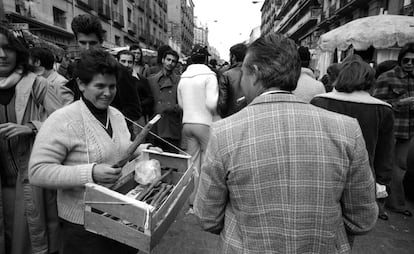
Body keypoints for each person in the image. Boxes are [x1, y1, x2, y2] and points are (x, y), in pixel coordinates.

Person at [194, 33, 378, 253]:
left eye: (243, 72)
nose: (241, 82)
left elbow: (207, 217)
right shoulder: (347, 130)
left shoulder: (224, 133)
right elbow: (362, 219)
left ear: (254, 74)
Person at [28, 49, 155, 254]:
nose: (107, 93)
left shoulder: (116, 115)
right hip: (83, 226)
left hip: (122, 215)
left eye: (112, 86)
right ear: (81, 84)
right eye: (100, 86)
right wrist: (91, 172)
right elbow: (37, 172)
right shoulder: (63, 120)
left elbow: (120, 150)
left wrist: (141, 149)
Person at [0, 24, 66, 254]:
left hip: (28, 182)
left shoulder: (37, 84)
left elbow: (64, 123)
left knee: (27, 242)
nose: (1, 54)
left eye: (7, 48)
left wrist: (32, 127)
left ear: (17, 51)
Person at [311, 59, 394, 221]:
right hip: (362, 176)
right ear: (370, 80)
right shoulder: (383, 110)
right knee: (352, 224)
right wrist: (382, 188)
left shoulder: (319, 102)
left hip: (323, 174)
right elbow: (385, 154)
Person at [62, 14, 142, 137]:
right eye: (83, 43)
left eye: (93, 43)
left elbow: (134, 110)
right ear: (76, 41)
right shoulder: (75, 68)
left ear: (101, 42)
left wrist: (111, 125)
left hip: (116, 139)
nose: (88, 48)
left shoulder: (119, 70)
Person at [372, 42, 414, 217]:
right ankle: (377, 207)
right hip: (390, 129)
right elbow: (376, 104)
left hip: (408, 130)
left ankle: (395, 202)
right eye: (407, 60)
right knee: (383, 168)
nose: (410, 64)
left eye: (413, 61)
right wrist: (399, 103)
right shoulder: (387, 78)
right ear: (400, 59)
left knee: (400, 167)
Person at [177, 44, 219, 204]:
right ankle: (206, 202)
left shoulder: (183, 77)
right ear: (206, 58)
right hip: (204, 124)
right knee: (208, 165)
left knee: (192, 164)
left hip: (187, 124)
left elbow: (181, 104)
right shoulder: (209, 76)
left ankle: (192, 200)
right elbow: (211, 103)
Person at [148, 49, 182, 152]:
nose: (170, 63)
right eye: (168, 60)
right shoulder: (151, 80)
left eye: (173, 61)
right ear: (163, 60)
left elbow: (183, 102)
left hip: (172, 125)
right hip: (156, 125)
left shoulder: (180, 81)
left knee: (172, 160)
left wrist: (172, 107)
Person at [117, 49, 154, 124]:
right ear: (117, 61)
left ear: (134, 63)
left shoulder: (142, 79)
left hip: (137, 120)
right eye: (123, 61)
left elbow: (150, 98)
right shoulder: (111, 78)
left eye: (130, 62)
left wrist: (136, 104)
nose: (126, 65)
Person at [219, 43, 247, 118]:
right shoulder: (254, 72)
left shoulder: (226, 75)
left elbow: (222, 103)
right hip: (250, 115)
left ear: (233, 57)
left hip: (232, 116)